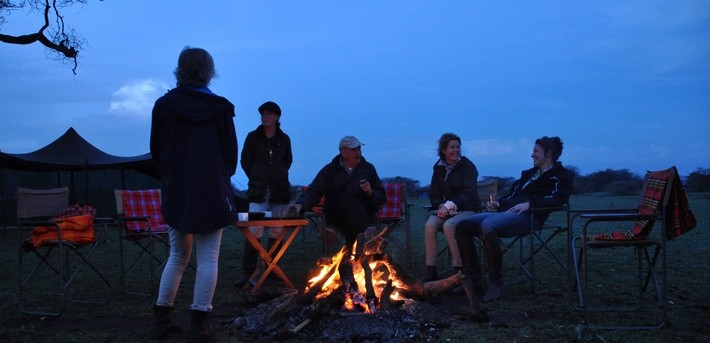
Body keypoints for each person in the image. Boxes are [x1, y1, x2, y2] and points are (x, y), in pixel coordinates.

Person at [149, 46, 238, 342]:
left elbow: (156, 150)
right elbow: (230, 155)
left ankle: (162, 319)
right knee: (209, 257)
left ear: (180, 71)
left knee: (177, 255)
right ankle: (200, 324)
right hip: (212, 189)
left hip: (178, 189)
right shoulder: (222, 108)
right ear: (209, 72)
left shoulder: (164, 106)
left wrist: (174, 175)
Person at [455, 136, 572, 303]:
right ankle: (473, 280)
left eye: (535, 151)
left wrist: (530, 204)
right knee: (463, 225)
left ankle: (495, 282)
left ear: (548, 153)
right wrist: (497, 203)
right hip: (506, 213)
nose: (532, 155)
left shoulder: (561, 176)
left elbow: (558, 199)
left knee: (488, 225)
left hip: (531, 216)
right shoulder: (530, 174)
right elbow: (511, 195)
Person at [235, 101, 293, 287]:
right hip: (258, 191)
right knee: (254, 228)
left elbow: (287, 161)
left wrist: (278, 176)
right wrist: (256, 176)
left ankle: (272, 269)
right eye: (263, 113)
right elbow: (245, 160)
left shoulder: (284, 140)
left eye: (269, 113)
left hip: (279, 191)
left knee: (277, 228)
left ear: (276, 117)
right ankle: (249, 271)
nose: (265, 116)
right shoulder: (253, 138)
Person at [294, 135, 386, 248]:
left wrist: (370, 192)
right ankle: (368, 234)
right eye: (354, 150)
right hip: (336, 215)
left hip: (364, 213)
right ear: (343, 152)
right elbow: (314, 189)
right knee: (347, 200)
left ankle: (350, 254)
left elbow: (381, 196)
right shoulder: (329, 171)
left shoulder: (368, 169)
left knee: (353, 205)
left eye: (359, 149)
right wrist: (301, 204)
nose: (358, 153)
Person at [423, 133, 481, 282]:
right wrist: (440, 205)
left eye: (458, 147)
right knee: (430, 224)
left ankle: (459, 270)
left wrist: (448, 206)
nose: (456, 150)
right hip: (448, 210)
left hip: (468, 209)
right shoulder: (439, 168)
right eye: (452, 147)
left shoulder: (468, 167)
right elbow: (434, 194)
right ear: (443, 150)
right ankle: (431, 269)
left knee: (449, 225)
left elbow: (468, 194)